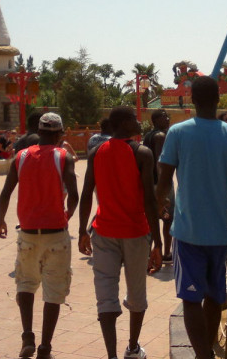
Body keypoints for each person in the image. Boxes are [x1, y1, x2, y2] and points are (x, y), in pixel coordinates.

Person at [156, 76, 227, 359]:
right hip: (219, 233)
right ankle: (206, 352)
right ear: (219, 99)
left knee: (190, 298)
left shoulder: (178, 133)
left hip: (187, 231)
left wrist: (157, 211)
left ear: (191, 100)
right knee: (215, 296)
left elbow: (164, 179)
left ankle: (203, 355)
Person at [78, 107, 163, 359]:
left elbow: (86, 194)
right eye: (134, 119)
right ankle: (133, 348)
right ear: (124, 123)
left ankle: (111, 355)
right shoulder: (142, 153)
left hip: (103, 232)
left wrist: (83, 230)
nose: (139, 122)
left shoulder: (96, 153)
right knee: (137, 294)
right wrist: (157, 242)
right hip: (136, 233)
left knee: (105, 296)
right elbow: (149, 200)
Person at [0, 112, 79, 359]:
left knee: (25, 284)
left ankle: (27, 337)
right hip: (55, 233)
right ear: (59, 134)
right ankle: (45, 346)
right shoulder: (63, 157)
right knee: (54, 291)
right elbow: (74, 194)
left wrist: (0, 220)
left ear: (39, 132)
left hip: (29, 232)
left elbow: (6, 192)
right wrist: (67, 216)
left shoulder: (20, 157)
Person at [142, 109, 174, 262]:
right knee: (168, 219)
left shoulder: (148, 135)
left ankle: (148, 252)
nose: (168, 118)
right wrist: (164, 191)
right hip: (160, 184)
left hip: (149, 183)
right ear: (155, 120)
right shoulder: (160, 136)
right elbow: (160, 163)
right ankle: (166, 252)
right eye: (164, 117)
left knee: (151, 219)